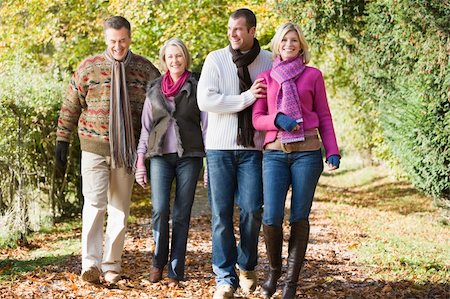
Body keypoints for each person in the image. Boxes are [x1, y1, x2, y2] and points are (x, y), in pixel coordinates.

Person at [55, 16, 160, 284]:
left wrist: (153, 150)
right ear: (105, 39)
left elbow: (160, 110)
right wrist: (62, 143)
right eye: (113, 41)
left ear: (130, 38)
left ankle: (112, 264)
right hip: (93, 147)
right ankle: (90, 264)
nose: (118, 46)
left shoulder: (145, 69)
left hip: (126, 151)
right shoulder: (88, 68)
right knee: (94, 203)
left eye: (122, 41)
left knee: (119, 210)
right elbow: (70, 107)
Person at [252, 22, 340, 299]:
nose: (289, 44)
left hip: (308, 152)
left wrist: (332, 150)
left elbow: (324, 115)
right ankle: (275, 271)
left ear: (301, 45)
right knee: (272, 216)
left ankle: (291, 282)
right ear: (277, 45)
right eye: (284, 40)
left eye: (294, 40)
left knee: (300, 217)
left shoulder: (313, 75)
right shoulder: (266, 78)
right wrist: (277, 119)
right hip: (275, 153)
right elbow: (257, 119)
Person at [197, 8, 273, 299]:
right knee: (220, 215)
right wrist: (246, 98)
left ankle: (247, 264)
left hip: (252, 149)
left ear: (253, 31)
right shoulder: (215, 59)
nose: (233, 34)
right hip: (219, 148)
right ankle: (225, 279)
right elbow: (206, 100)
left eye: (239, 29)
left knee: (253, 210)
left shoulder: (267, 60)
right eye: (230, 30)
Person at [134, 38, 206, 288]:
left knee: (181, 214)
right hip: (160, 157)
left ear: (185, 57)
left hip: (190, 157)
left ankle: (176, 269)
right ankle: (157, 261)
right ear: (164, 60)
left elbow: (206, 125)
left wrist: (210, 163)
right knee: (160, 210)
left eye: (179, 55)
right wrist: (140, 162)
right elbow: (145, 128)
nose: (175, 60)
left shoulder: (197, 85)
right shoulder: (153, 88)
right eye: (170, 56)